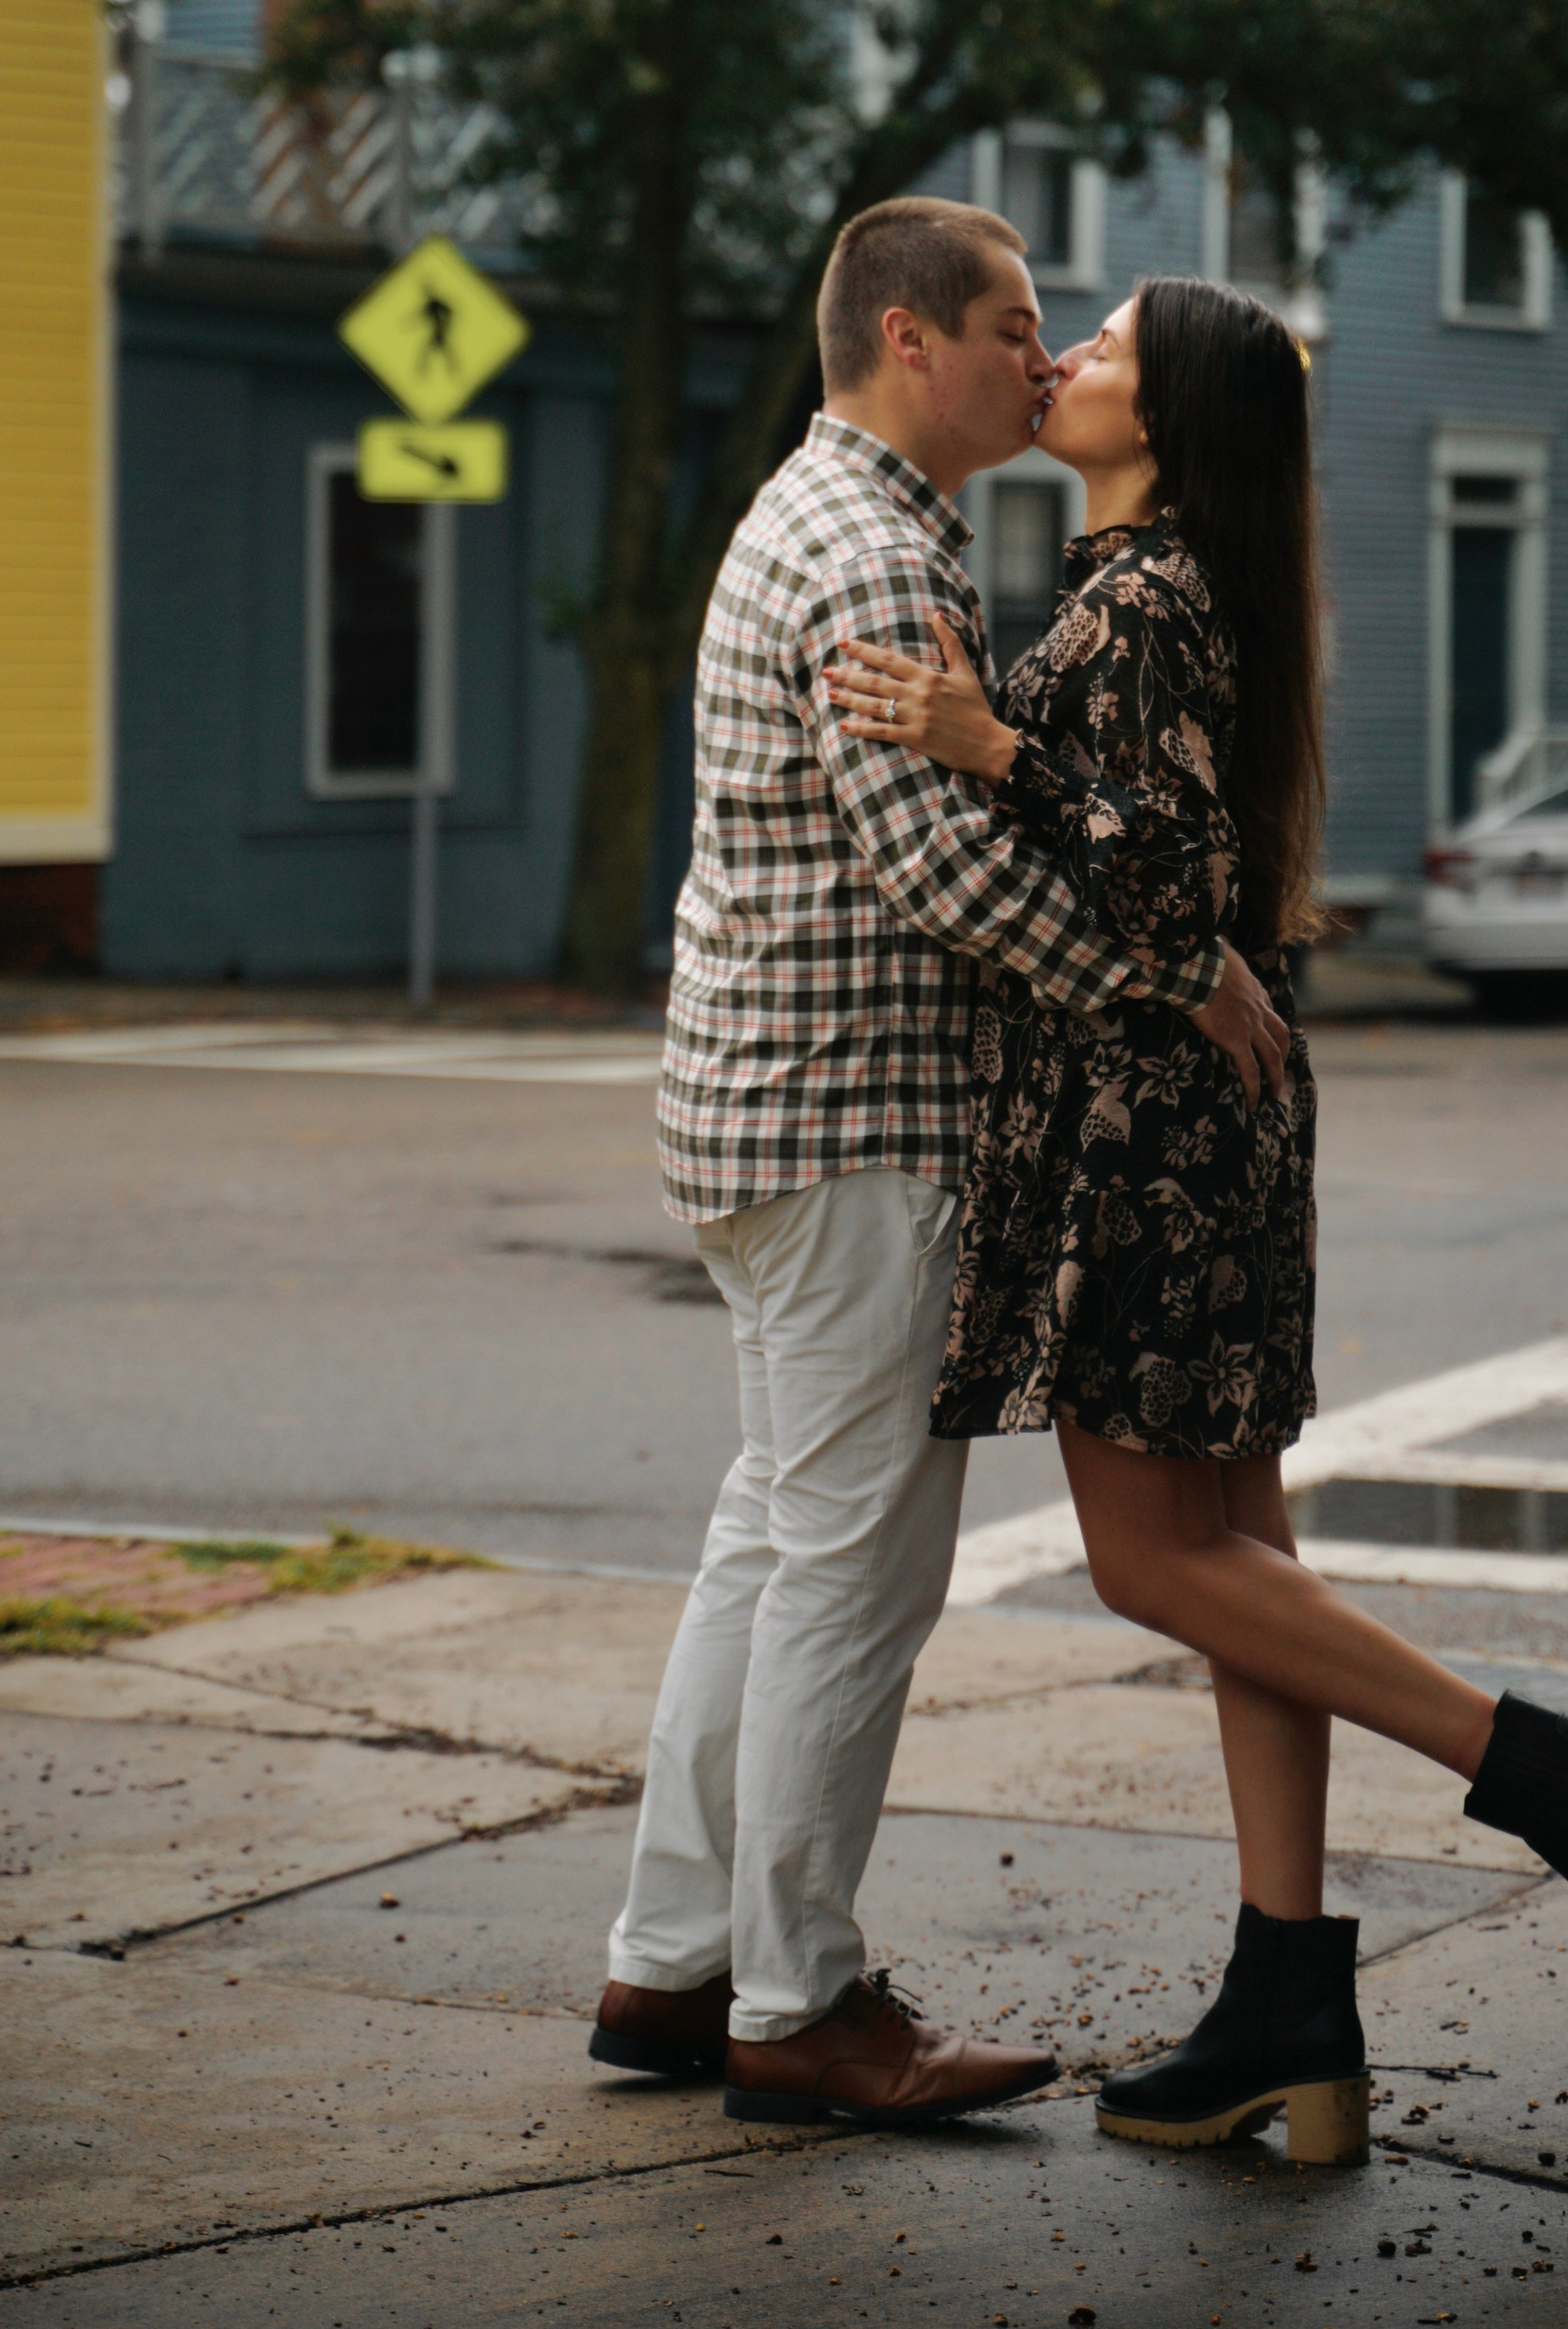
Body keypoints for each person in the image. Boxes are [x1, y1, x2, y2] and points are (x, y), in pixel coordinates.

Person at [825, 275, 1568, 2159]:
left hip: (1144, 1135)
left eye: (1102, 345)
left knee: (1158, 1563)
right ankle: (1289, 2003)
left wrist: (989, 746)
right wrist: (1010, 740)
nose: (1062, 355)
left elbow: (1171, 878)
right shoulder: (1161, 585)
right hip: (1197, 1120)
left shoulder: (1141, 601)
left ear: (1166, 421)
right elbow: (1187, 869)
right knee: (1241, 1558)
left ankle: (1562, 1774)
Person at [592, 201, 1292, 2131]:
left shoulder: (831, 517)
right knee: (855, 1573)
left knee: (771, 1542)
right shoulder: (872, 557)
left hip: (768, 1117)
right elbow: (951, 874)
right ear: (910, 340)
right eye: (1012, 324)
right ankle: (798, 2002)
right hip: (853, 1127)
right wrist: (1181, 973)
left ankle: (674, 1961)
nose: (1039, 356)